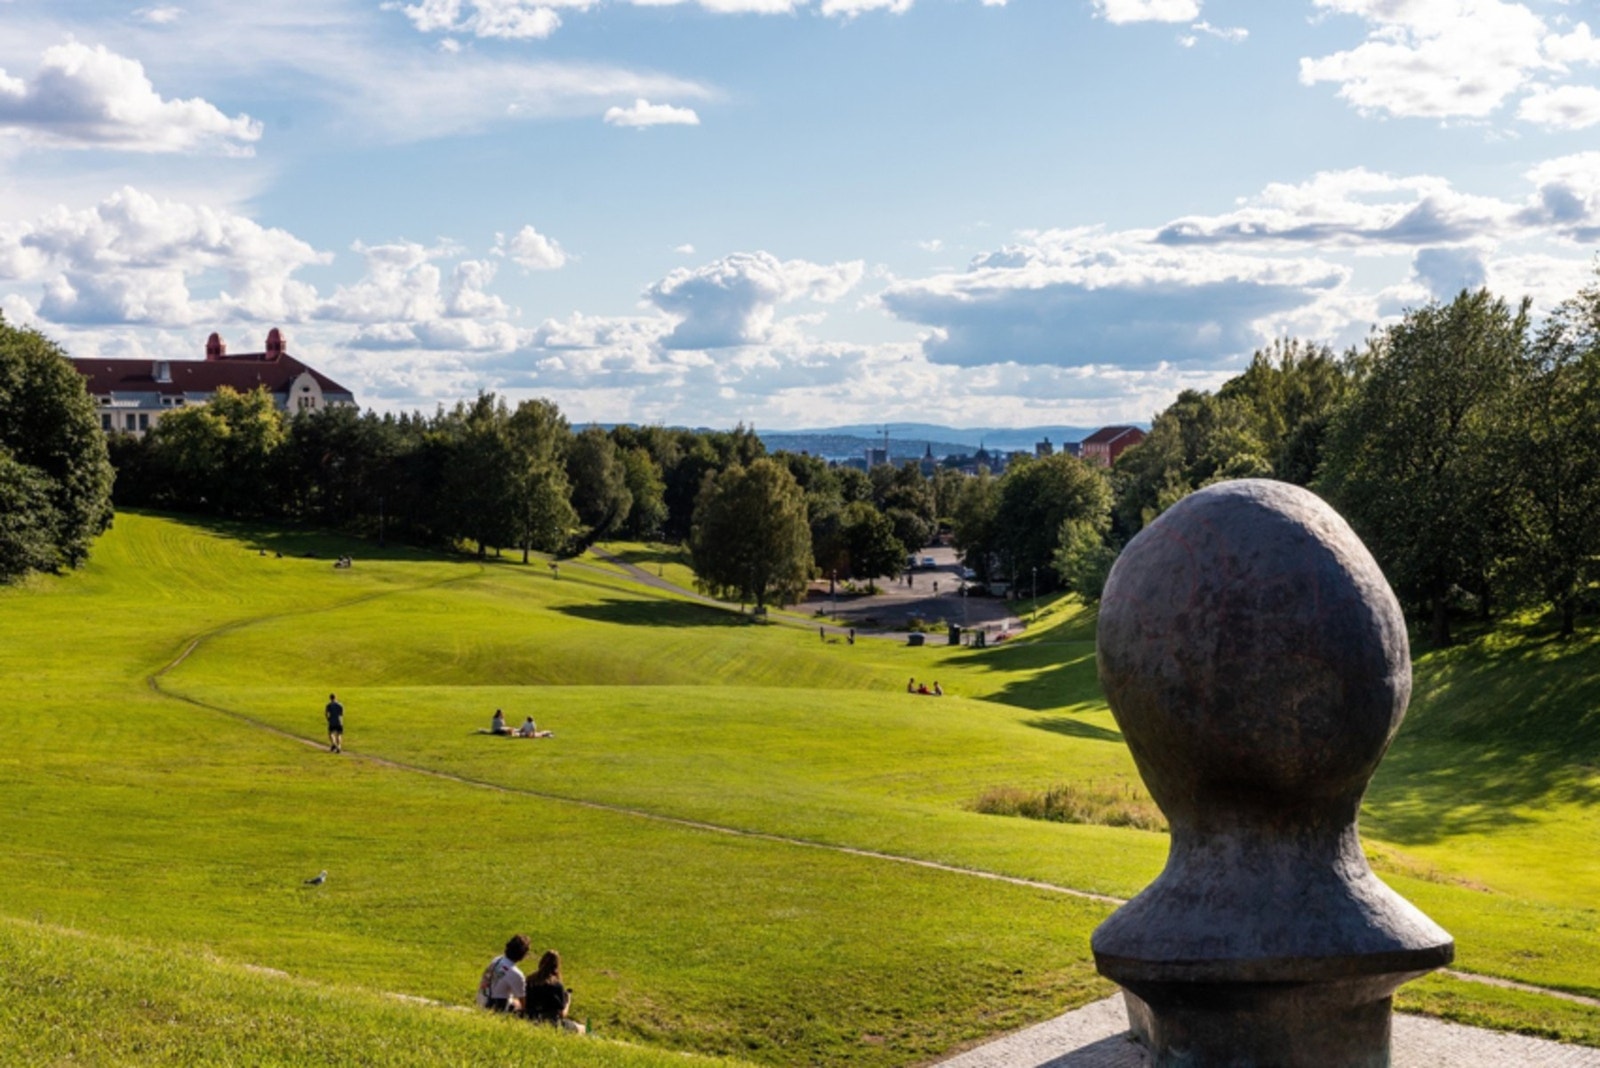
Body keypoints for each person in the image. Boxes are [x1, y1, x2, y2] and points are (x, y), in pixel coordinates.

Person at [522, 950, 584, 1032]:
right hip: (552, 1024)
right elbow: (562, 1014)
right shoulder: (556, 985)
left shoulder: (530, 981)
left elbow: (525, 1003)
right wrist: (568, 1001)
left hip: (532, 1019)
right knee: (583, 1028)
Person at [477, 934, 531, 1013]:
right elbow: (523, 1001)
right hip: (496, 1006)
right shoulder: (516, 974)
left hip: (482, 998)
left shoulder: (497, 960)